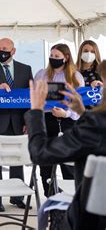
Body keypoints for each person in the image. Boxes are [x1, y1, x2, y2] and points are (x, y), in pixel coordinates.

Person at [26, 60, 106, 230]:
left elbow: (40, 153)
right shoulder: (95, 124)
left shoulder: (96, 125)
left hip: (90, 220)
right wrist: (82, 113)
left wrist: (36, 111)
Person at [0, 37, 32, 212]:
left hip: (18, 122)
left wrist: (27, 121)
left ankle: (17, 197)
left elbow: (28, 98)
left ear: (13, 51)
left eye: (5, 48)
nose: (1, 50)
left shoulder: (26, 70)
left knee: (17, 160)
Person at [34, 43, 85, 197]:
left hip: (67, 121)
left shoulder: (76, 76)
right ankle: (50, 199)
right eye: (51, 55)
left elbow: (79, 103)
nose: (53, 58)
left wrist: (67, 114)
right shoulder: (41, 74)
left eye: (57, 56)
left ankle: (70, 200)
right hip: (45, 120)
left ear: (66, 57)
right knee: (46, 164)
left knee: (68, 164)